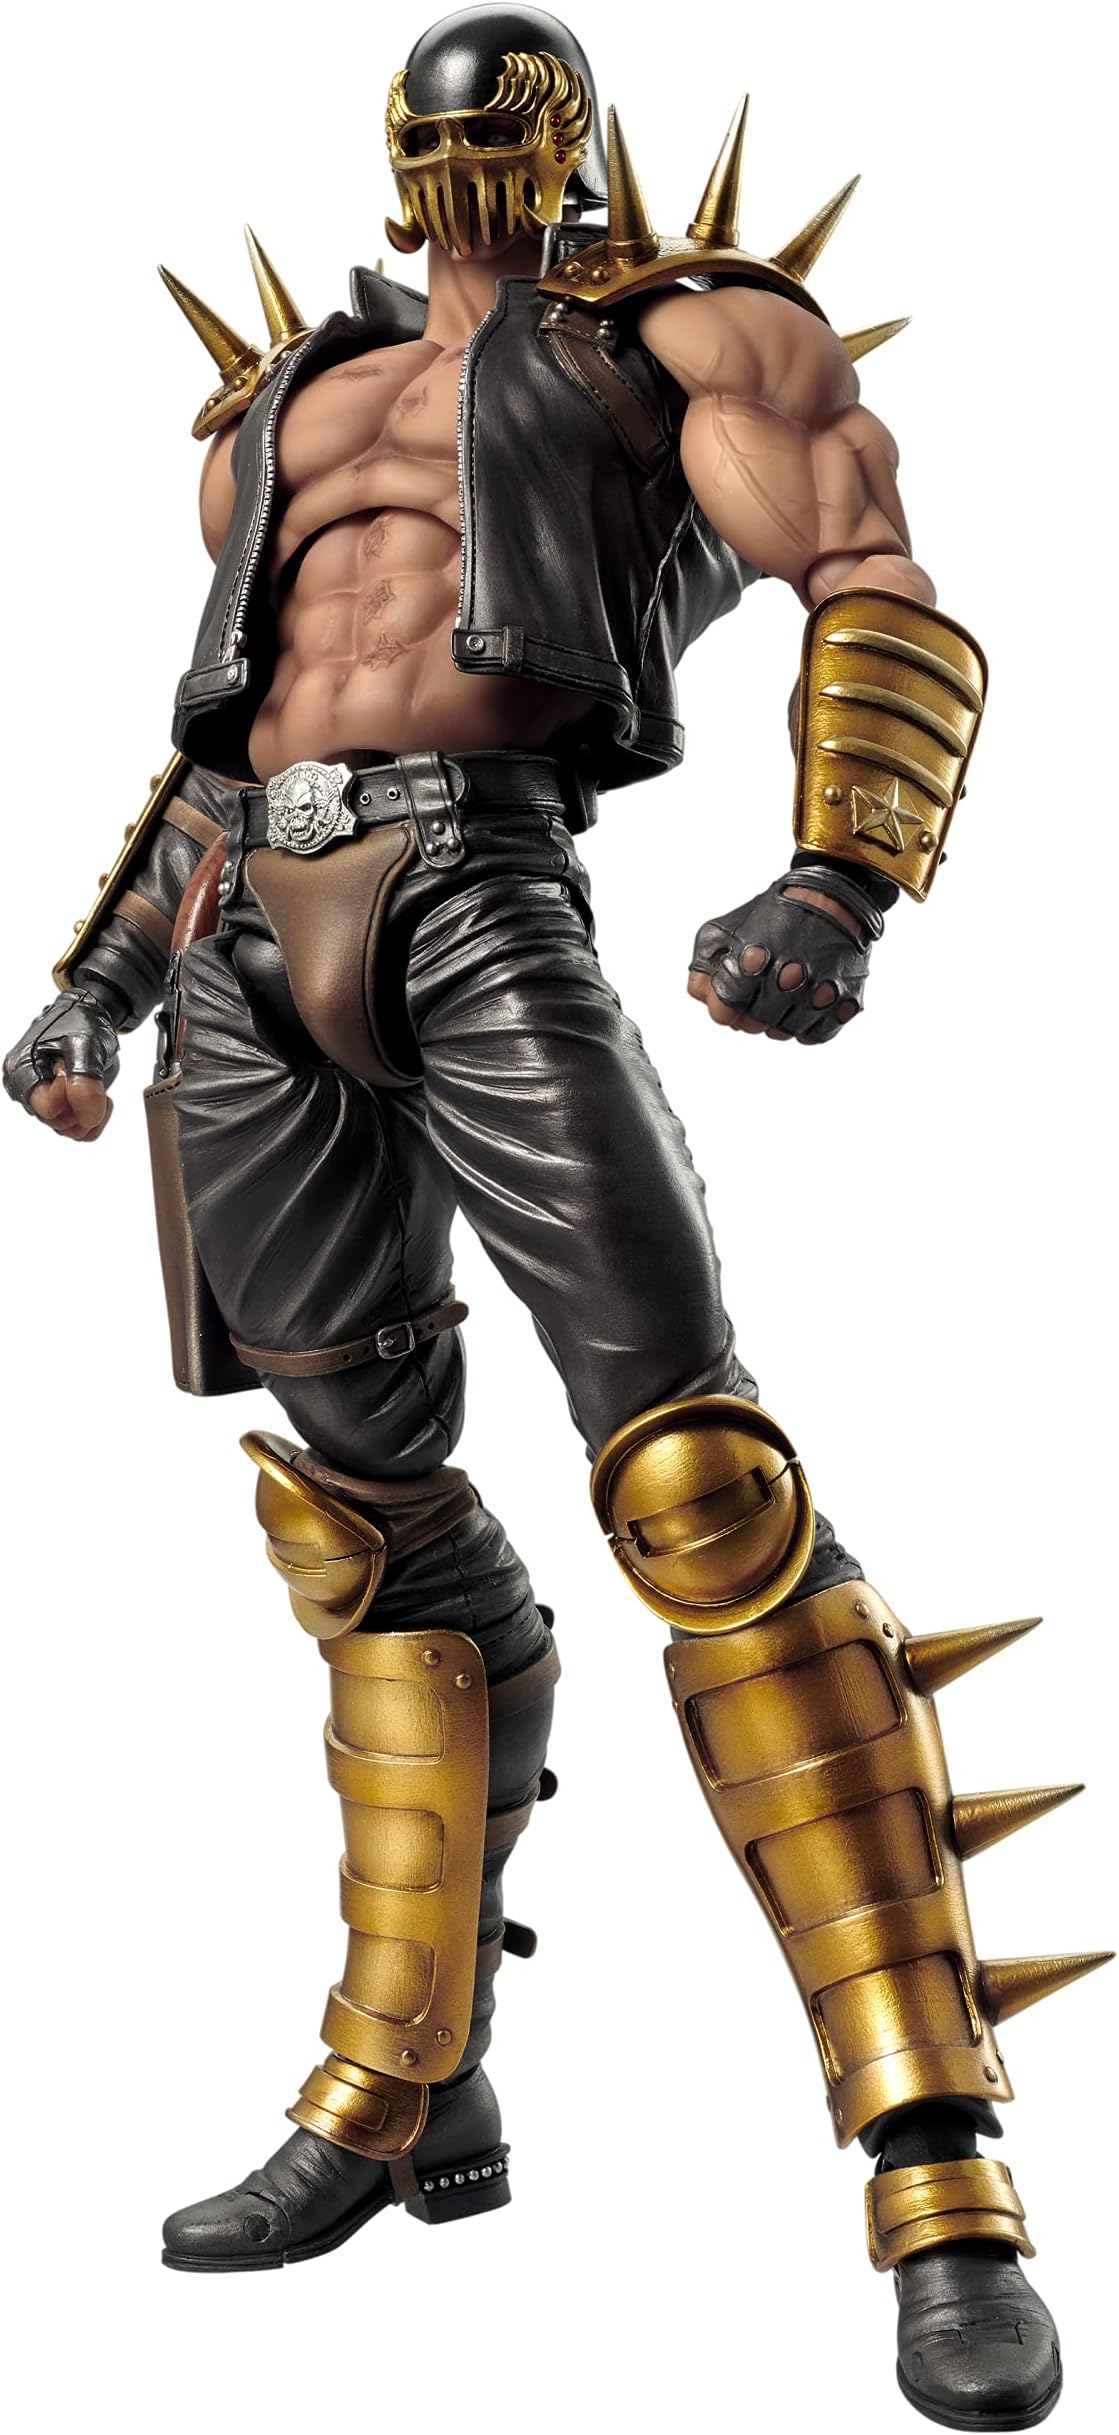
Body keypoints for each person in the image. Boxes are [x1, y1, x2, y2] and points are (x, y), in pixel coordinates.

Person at [4, 10, 1107, 2423]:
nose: (460, 155)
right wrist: (98, 980)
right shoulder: (282, 410)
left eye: (500, 115)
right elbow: (229, 728)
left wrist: (838, 876)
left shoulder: (685, 344)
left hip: (484, 886)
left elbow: (871, 576)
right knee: (366, 1518)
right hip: (244, 941)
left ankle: (936, 2174)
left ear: (572, 137)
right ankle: (406, 2079)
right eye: (432, 125)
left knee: (697, 1484)